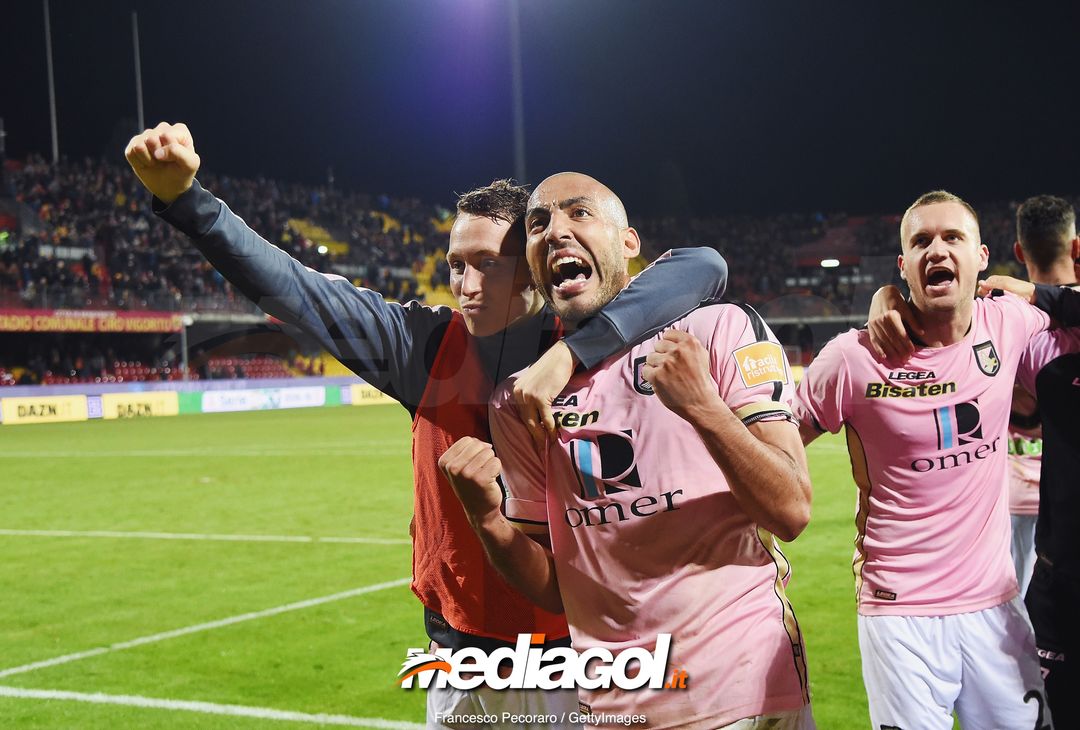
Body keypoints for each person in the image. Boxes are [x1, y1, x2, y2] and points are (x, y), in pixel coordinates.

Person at [125, 124, 729, 728]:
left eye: (487, 265)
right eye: (455, 266)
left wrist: (569, 355)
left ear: (534, 268)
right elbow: (295, 289)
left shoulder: (599, 334)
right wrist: (188, 200)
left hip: (581, 648)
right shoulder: (422, 346)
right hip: (461, 651)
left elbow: (701, 265)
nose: (465, 287)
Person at [441, 172, 814, 729]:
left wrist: (703, 408)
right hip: (616, 706)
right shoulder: (518, 400)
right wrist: (488, 520)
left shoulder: (717, 330)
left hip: (746, 689)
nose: (555, 231)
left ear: (630, 243)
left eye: (579, 213)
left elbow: (791, 510)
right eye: (538, 224)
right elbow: (555, 588)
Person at [796, 190, 1052, 729]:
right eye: (921, 242)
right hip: (899, 613)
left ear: (982, 258)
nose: (938, 250)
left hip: (996, 606)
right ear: (903, 265)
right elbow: (776, 440)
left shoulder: (1008, 323)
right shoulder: (853, 357)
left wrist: (1041, 292)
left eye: (953, 237)